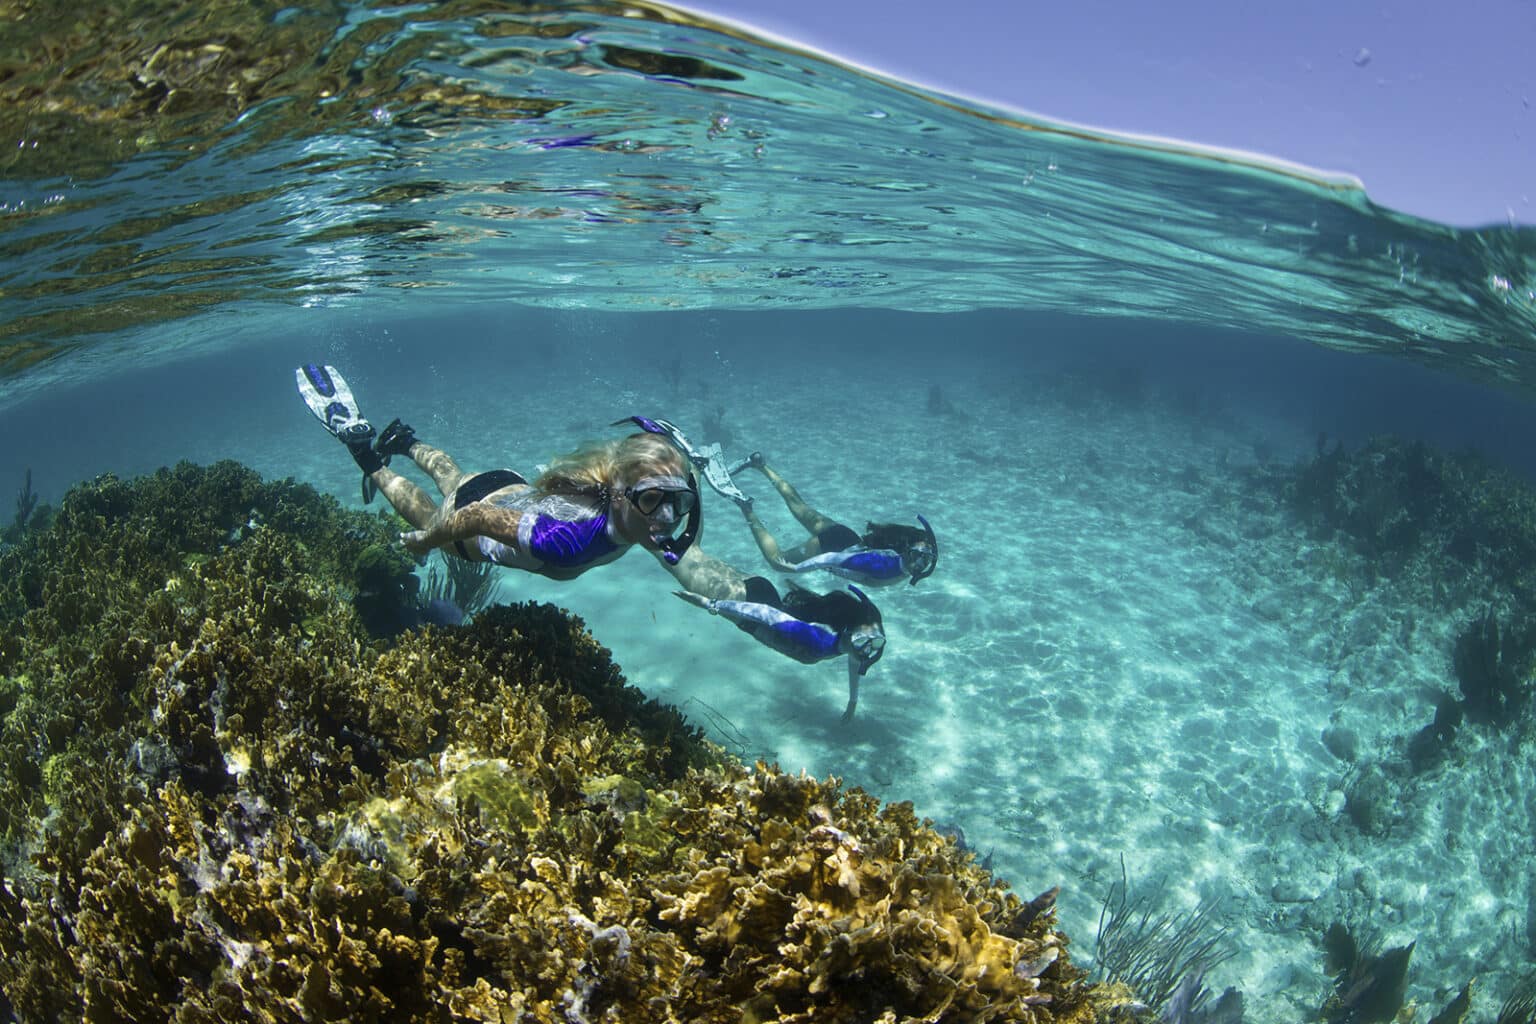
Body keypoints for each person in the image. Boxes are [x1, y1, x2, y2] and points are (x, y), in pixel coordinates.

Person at [295, 365, 701, 575]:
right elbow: (477, 517)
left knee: (452, 478)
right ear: (617, 492)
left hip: (506, 484)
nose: (667, 517)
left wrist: (678, 474)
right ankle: (369, 459)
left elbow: (678, 501)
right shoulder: (570, 540)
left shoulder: (639, 510)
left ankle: (406, 442)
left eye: (678, 502)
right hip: (479, 520)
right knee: (428, 516)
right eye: (651, 499)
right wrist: (424, 541)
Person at [729, 452, 938, 587]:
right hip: (832, 547)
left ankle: (759, 464)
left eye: (925, 558)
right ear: (905, 551)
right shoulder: (884, 569)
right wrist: (801, 568)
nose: (919, 563)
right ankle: (746, 507)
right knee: (777, 562)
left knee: (799, 506)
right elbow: (834, 560)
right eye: (917, 556)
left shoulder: (894, 557)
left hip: (845, 535)